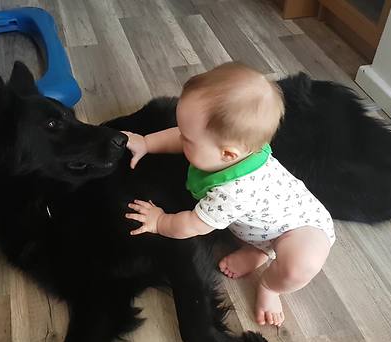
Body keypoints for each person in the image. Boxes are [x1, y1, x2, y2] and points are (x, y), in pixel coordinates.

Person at [122, 62, 335, 327]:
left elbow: (191, 225)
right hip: (266, 225)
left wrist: (160, 221)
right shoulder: (234, 150)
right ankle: (259, 250)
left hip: (301, 227)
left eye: (188, 140)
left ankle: (270, 286)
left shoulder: (232, 193)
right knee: (262, 238)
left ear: (228, 155)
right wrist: (146, 142)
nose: (181, 139)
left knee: (299, 264)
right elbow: (179, 136)